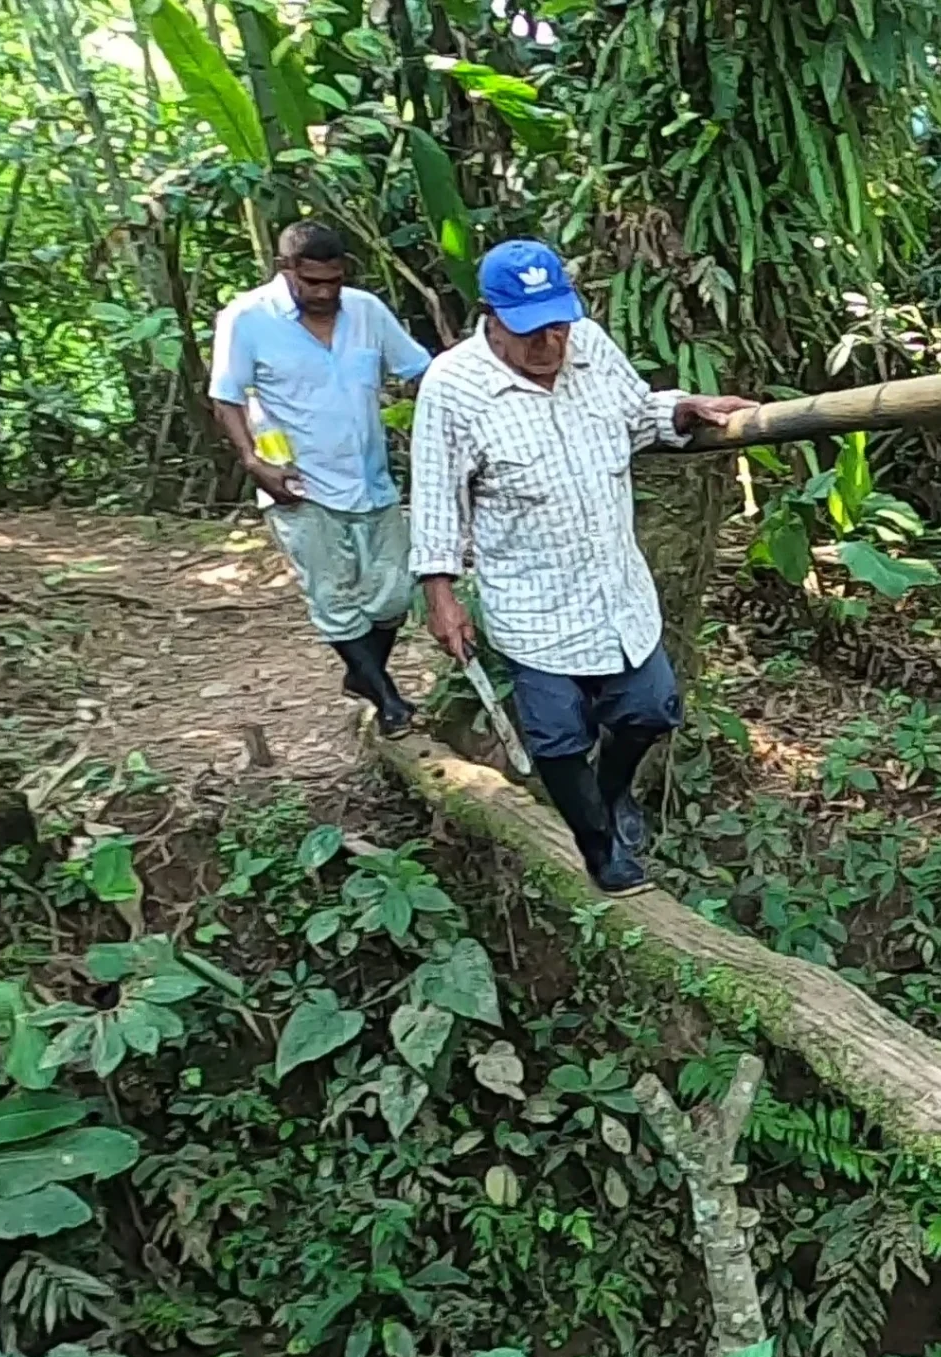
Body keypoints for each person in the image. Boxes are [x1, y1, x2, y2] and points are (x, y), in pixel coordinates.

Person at [408, 239, 755, 896]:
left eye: (558, 323)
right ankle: (600, 851)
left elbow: (636, 414)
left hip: (615, 588)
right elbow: (435, 497)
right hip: (533, 605)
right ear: (490, 316)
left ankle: (610, 793)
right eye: (530, 329)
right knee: (559, 737)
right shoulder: (453, 387)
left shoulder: (590, 346)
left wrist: (682, 408)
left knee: (652, 709)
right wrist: (440, 593)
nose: (550, 342)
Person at [211, 220, 433, 737]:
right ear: (286, 270)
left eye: (334, 280)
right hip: (297, 482)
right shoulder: (247, 318)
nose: (325, 292)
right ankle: (389, 701)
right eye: (312, 282)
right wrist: (253, 462)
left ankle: (362, 673)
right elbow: (226, 396)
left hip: (371, 478)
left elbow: (418, 369)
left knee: (394, 595)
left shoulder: (367, 311)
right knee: (332, 596)